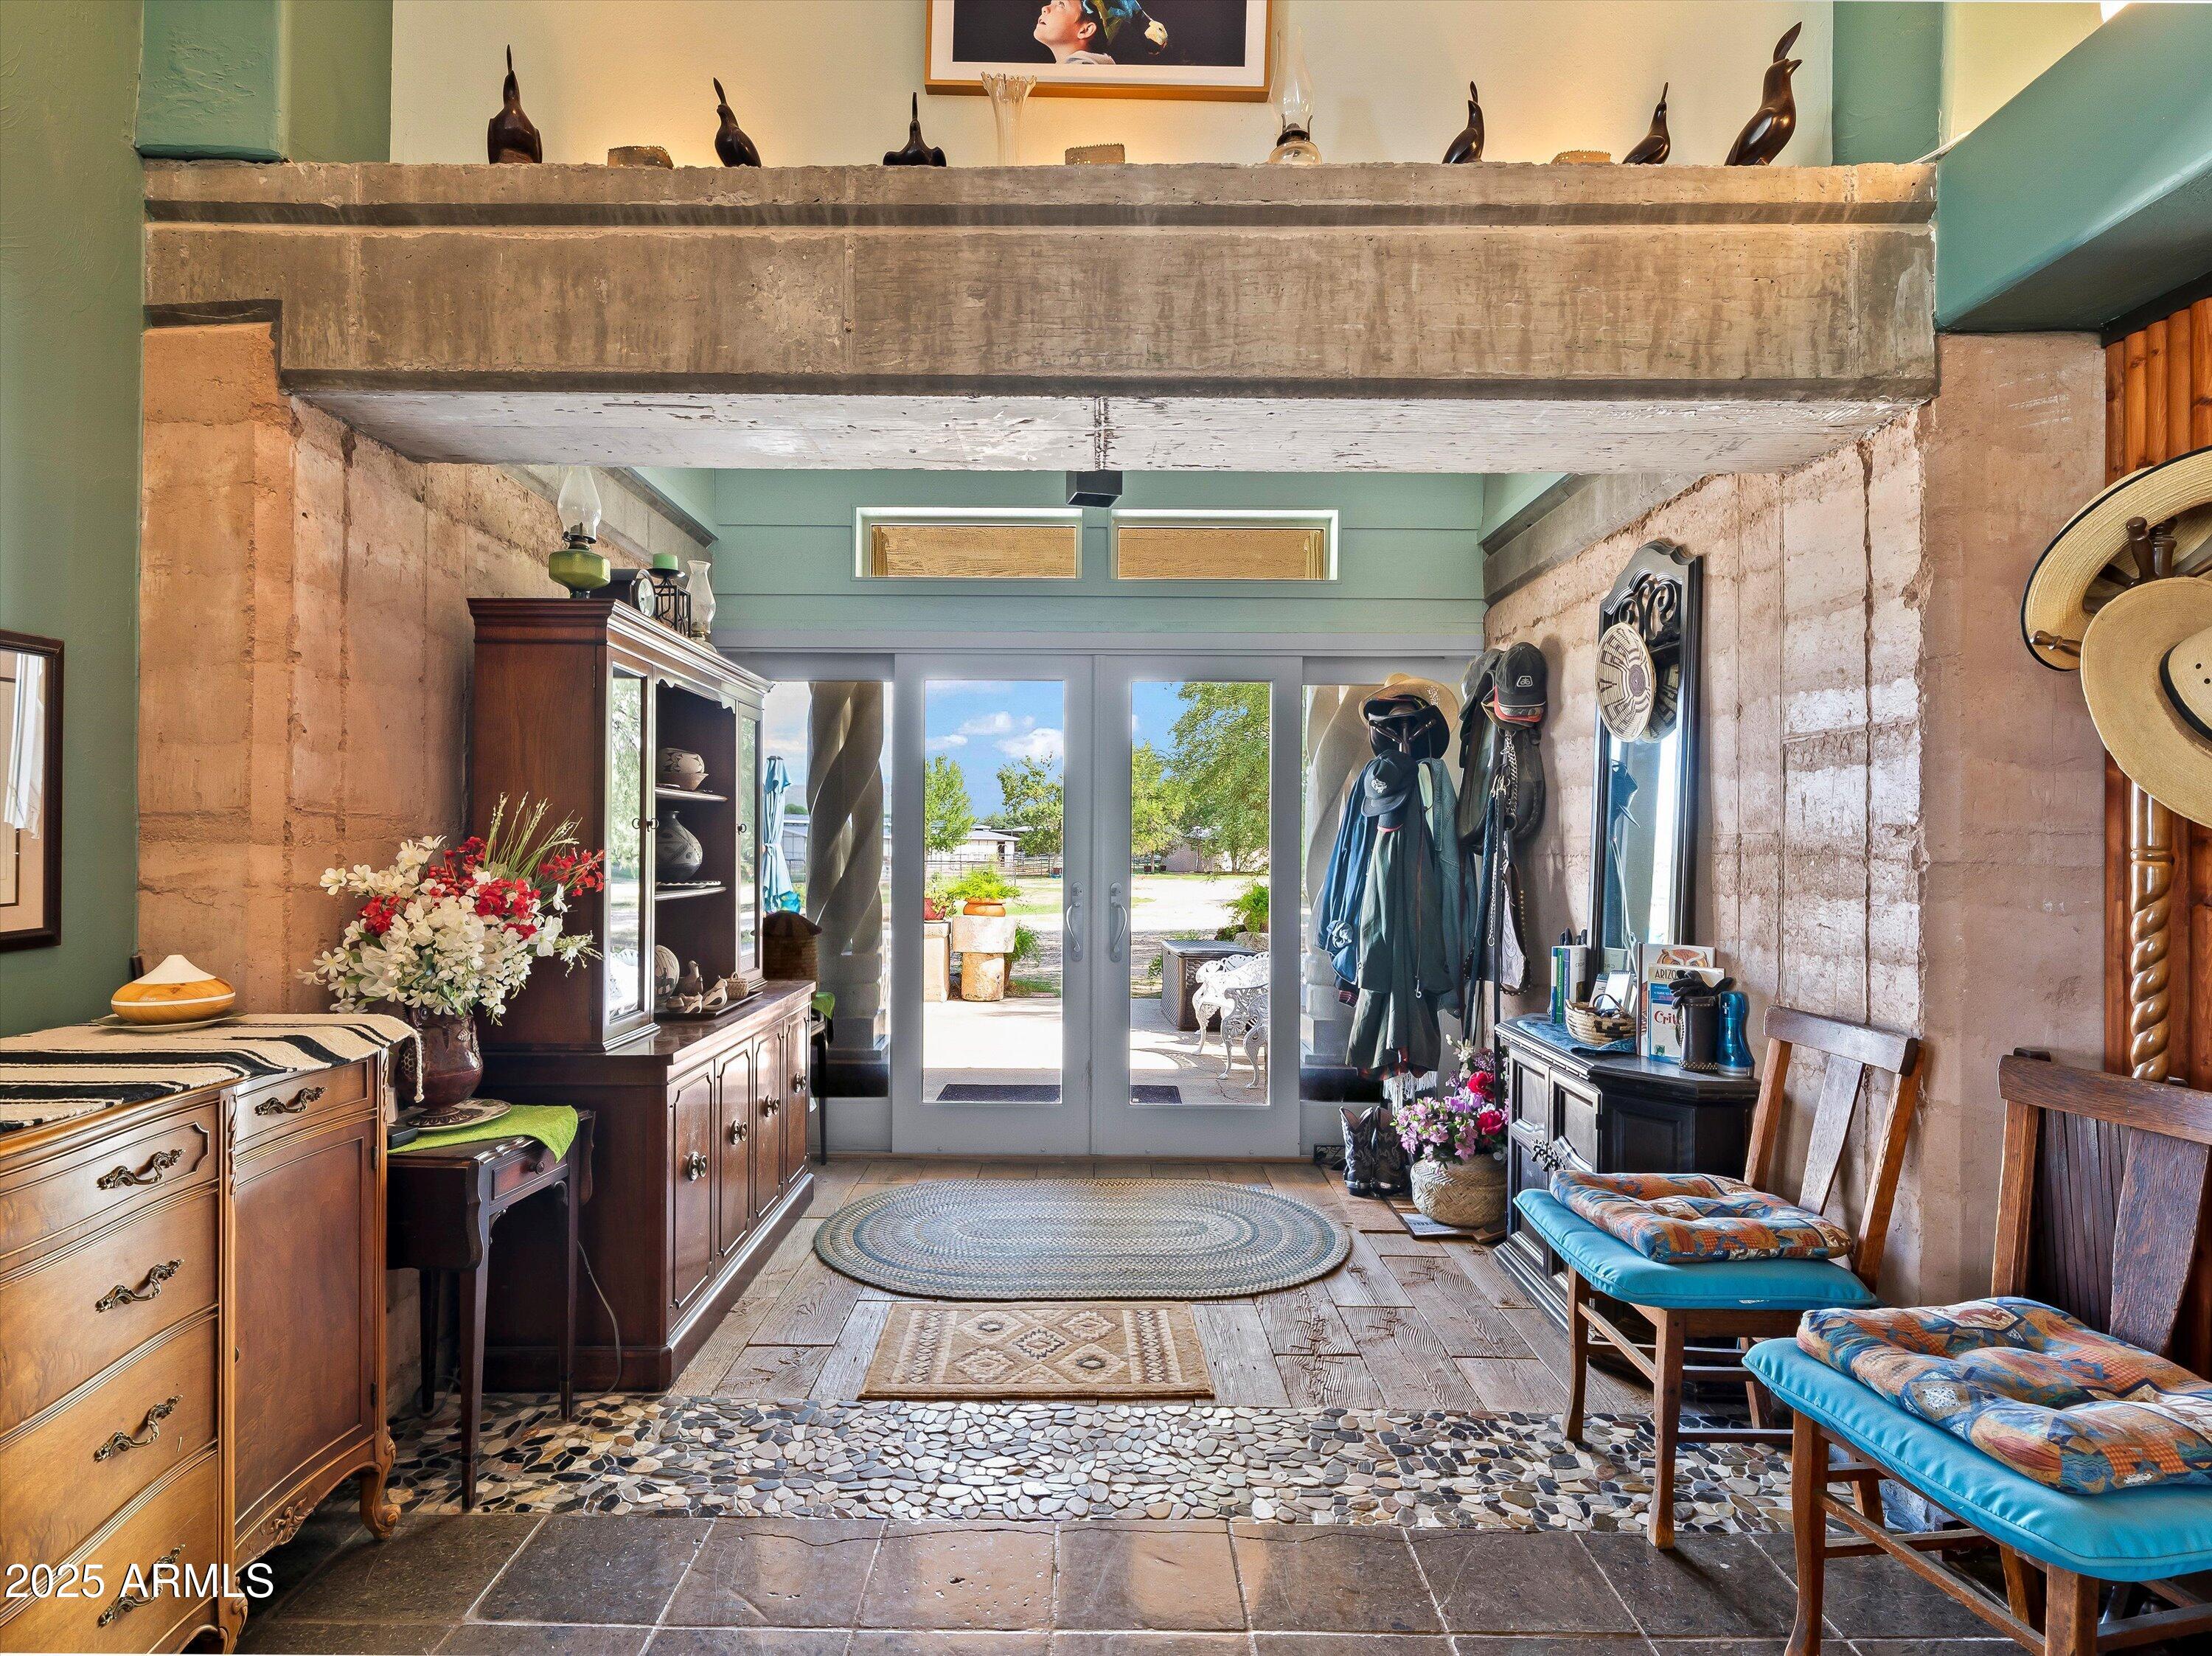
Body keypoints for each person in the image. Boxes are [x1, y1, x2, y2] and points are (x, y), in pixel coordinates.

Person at [1032, 0, 1168, 66]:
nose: (1045, 8)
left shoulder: (1082, 77)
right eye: (1052, 2)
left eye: (1061, 4)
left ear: (1085, 30)